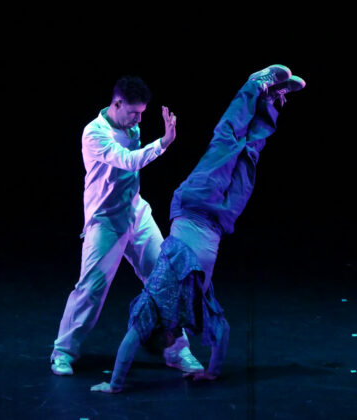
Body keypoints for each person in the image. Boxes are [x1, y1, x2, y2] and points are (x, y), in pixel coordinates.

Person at [90, 64, 306, 393]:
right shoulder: (194, 307)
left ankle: (254, 85)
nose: (175, 337)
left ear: (161, 336)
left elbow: (131, 340)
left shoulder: (155, 302)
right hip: (219, 221)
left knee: (226, 142)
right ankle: (271, 99)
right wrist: (212, 372)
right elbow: (222, 331)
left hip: (193, 203)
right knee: (249, 155)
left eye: (169, 339)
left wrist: (115, 384)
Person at [51, 75, 203, 376]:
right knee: (91, 288)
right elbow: (129, 161)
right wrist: (163, 143)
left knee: (165, 279)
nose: (138, 119)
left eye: (142, 113)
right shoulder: (94, 134)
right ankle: (63, 351)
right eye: (134, 112)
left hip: (136, 212)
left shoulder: (131, 126)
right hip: (106, 219)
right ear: (117, 103)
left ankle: (177, 350)